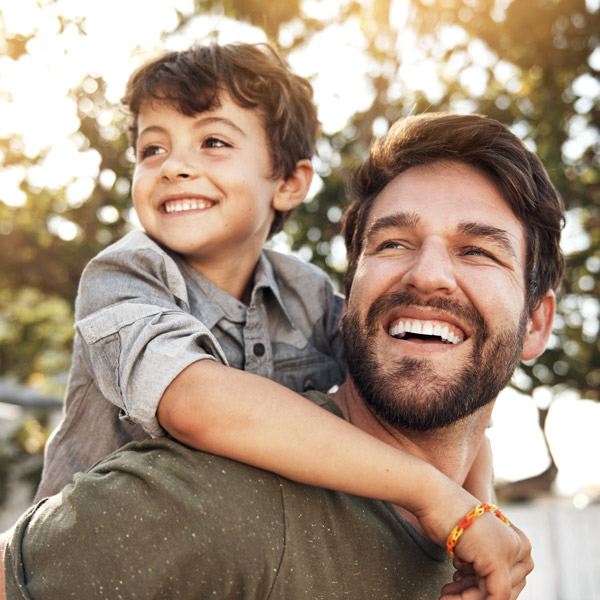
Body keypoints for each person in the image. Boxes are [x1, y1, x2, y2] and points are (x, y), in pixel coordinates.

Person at [1, 112, 564, 599]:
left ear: (536, 323)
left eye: (477, 251)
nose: (428, 275)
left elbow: (472, 440)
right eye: (392, 243)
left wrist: (474, 510)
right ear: (349, 304)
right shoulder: (209, 504)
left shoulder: (474, 540)